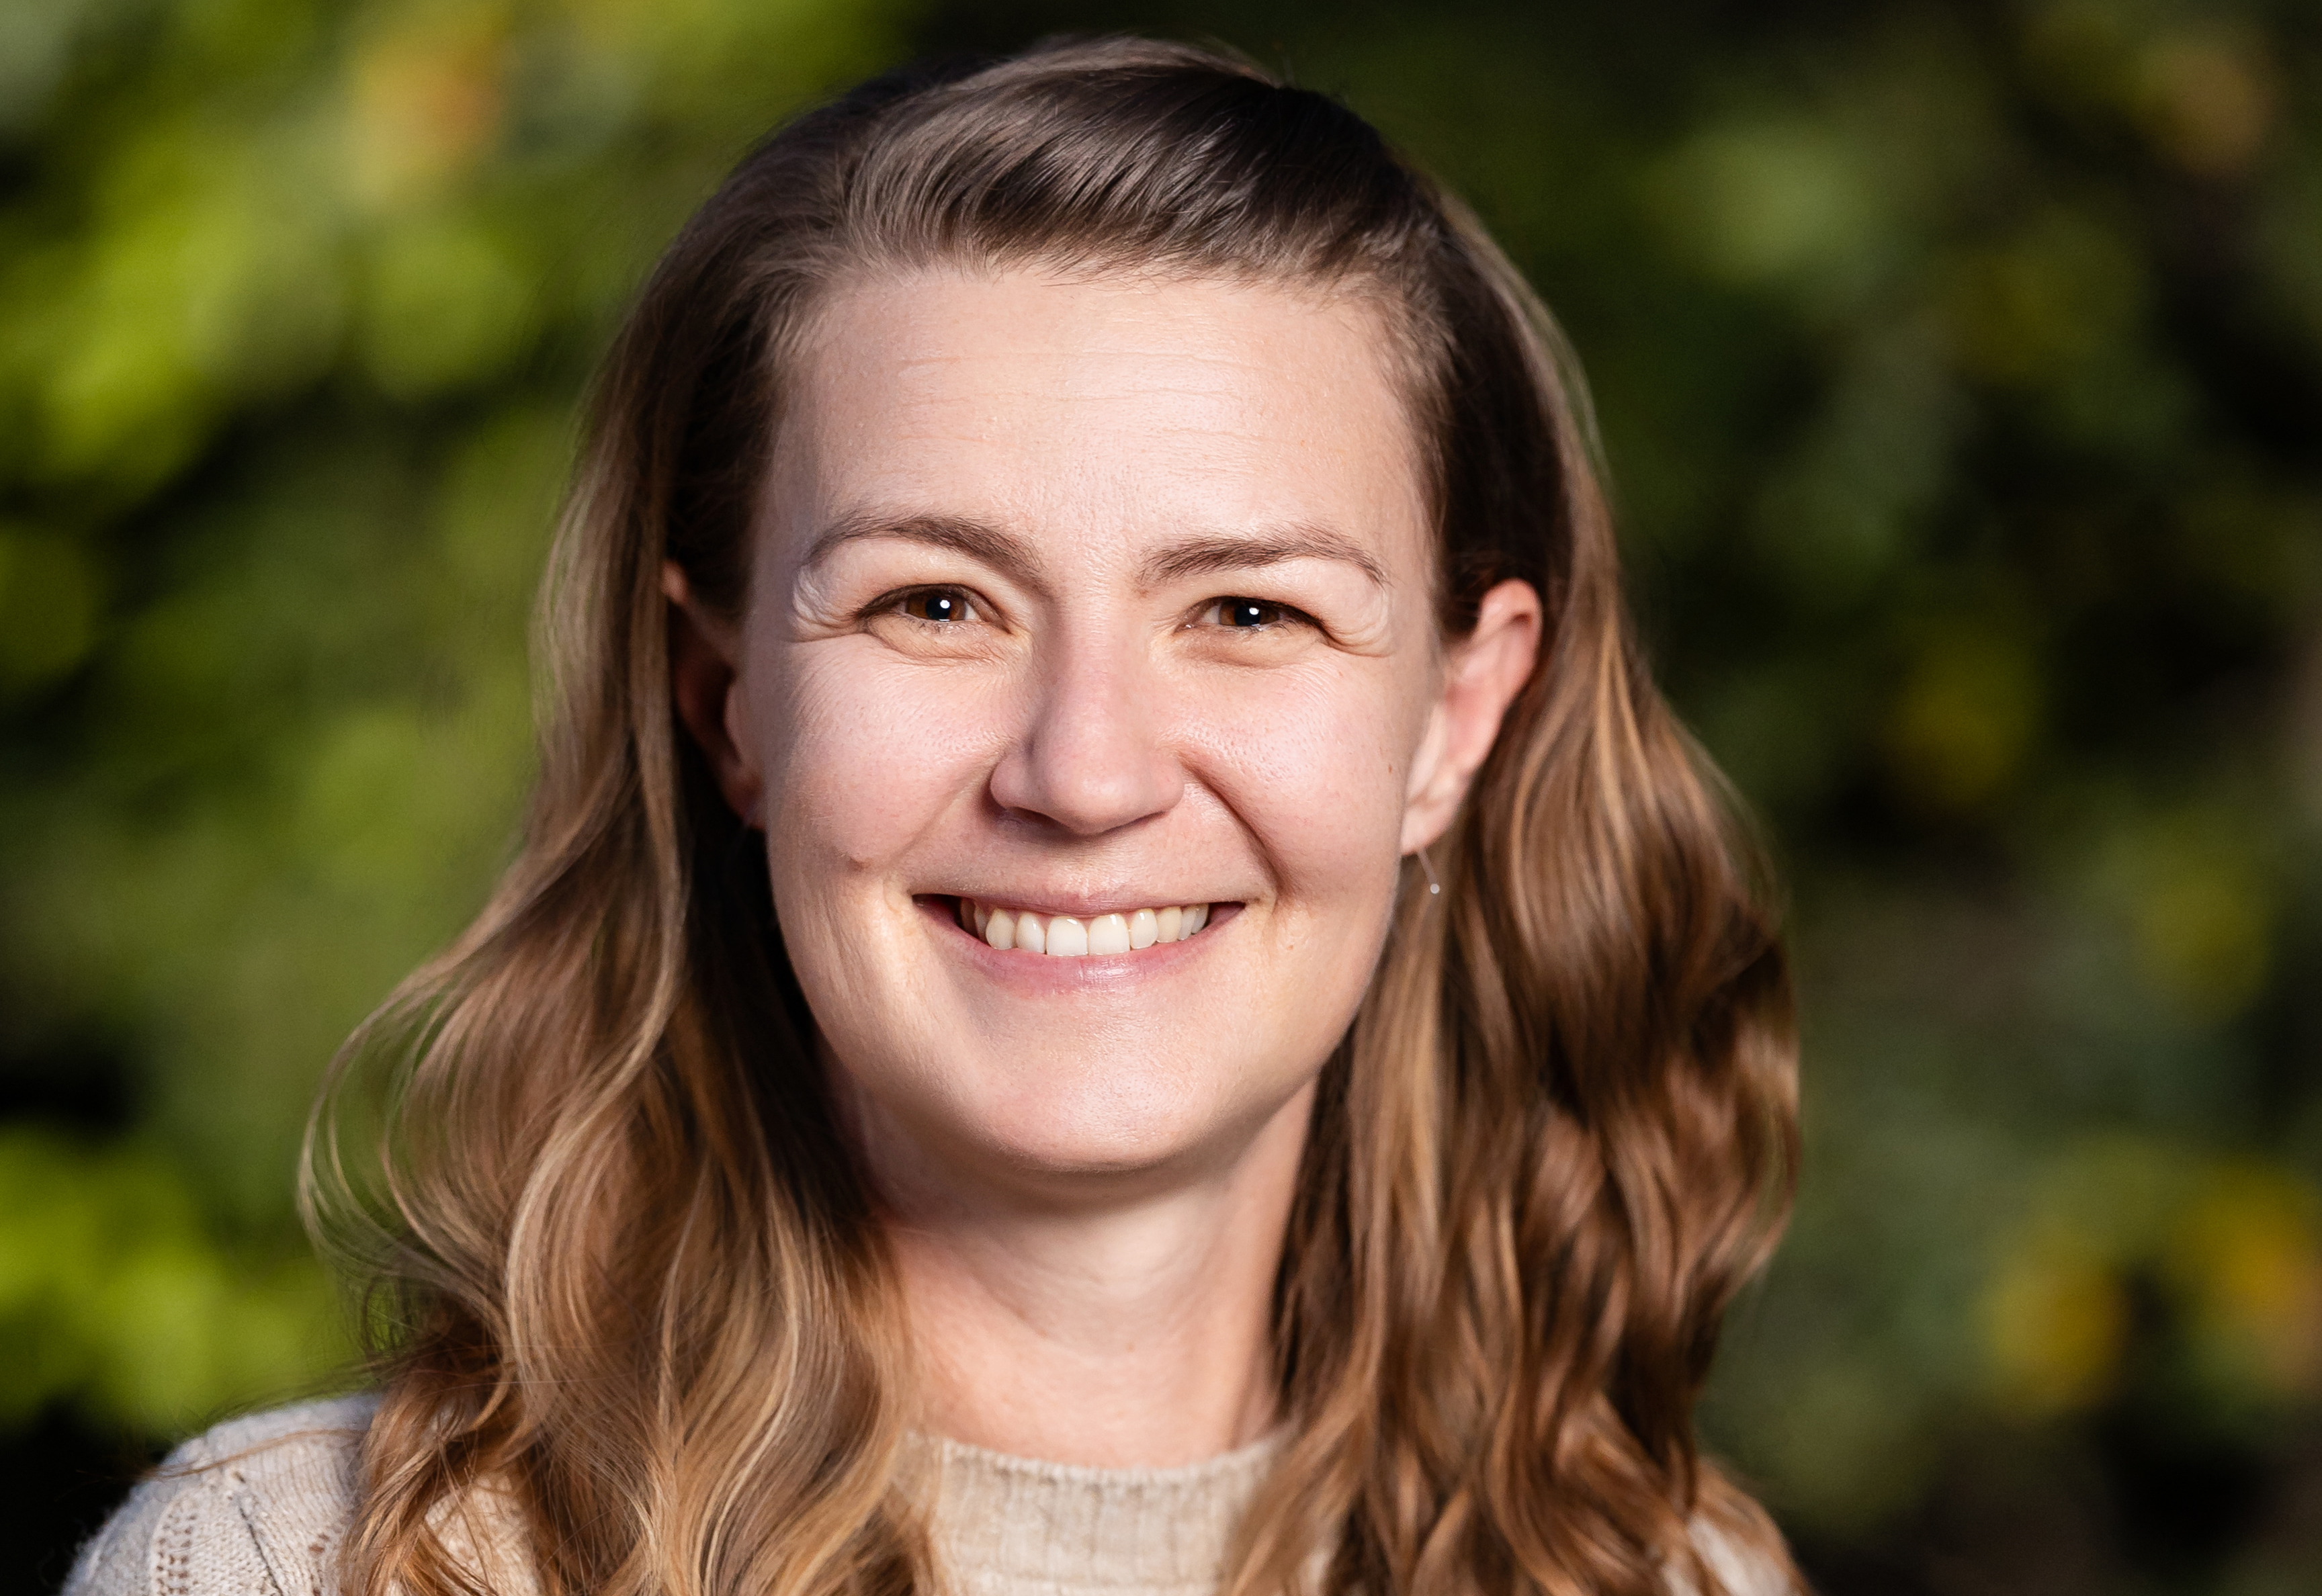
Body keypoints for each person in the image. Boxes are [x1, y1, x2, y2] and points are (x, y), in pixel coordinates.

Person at [64, 36, 1801, 1596]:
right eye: (939, 604)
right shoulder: (316, 1569)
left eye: (1250, 613)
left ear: (1455, 716)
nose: (1088, 773)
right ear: (724, 696)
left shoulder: (1662, 1576)